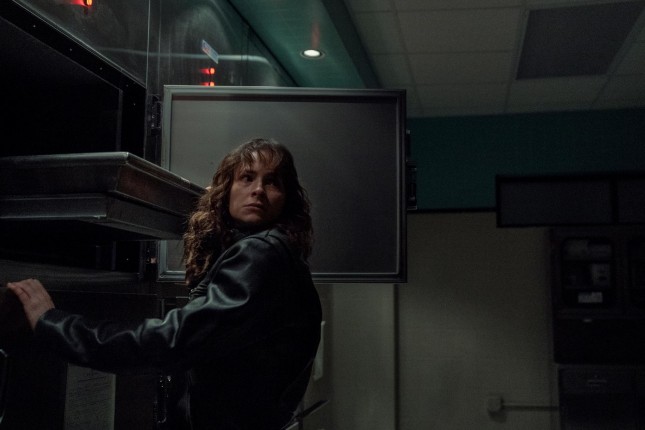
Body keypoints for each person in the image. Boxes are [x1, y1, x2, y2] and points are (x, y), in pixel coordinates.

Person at [7, 138, 322, 430]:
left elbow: (173, 340)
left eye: (272, 182)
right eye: (247, 178)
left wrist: (55, 326)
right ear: (227, 189)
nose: (258, 190)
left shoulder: (262, 253)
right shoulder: (269, 252)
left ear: (286, 200)